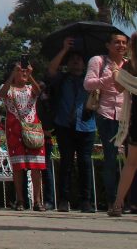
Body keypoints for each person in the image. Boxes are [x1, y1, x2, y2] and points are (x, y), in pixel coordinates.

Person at [46, 39, 96, 212]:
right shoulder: (62, 79)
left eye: (79, 59)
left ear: (84, 63)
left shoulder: (90, 80)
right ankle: (64, 200)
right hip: (64, 124)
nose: (75, 61)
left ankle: (86, 200)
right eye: (72, 58)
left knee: (85, 163)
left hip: (86, 125)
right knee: (66, 163)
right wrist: (64, 49)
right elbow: (51, 70)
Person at [85, 33, 128, 209]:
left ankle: (129, 201)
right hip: (107, 114)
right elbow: (88, 84)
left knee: (130, 161)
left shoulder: (129, 64)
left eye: (124, 43)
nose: (120, 45)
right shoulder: (98, 61)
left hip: (128, 115)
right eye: (116, 42)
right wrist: (110, 78)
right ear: (108, 45)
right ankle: (112, 201)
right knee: (110, 159)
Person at [1, 60, 46, 211]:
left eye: (26, 70)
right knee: (18, 166)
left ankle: (37, 200)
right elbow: (2, 94)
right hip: (15, 129)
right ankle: (20, 199)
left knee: (36, 166)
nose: (24, 73)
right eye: (21, 70)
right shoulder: (8, 88)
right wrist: (13, 74)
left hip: (32, 127)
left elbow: (39, 91)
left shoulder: (30, 88)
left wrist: (31, 76)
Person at [107, 33, 137, 217]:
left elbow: (119, 88)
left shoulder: (130, 65)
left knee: (131, 164)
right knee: (131, 164)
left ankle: (118, 203)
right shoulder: (130, 65)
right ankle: (118, 202)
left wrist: (118, 74)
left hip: (136, 117)